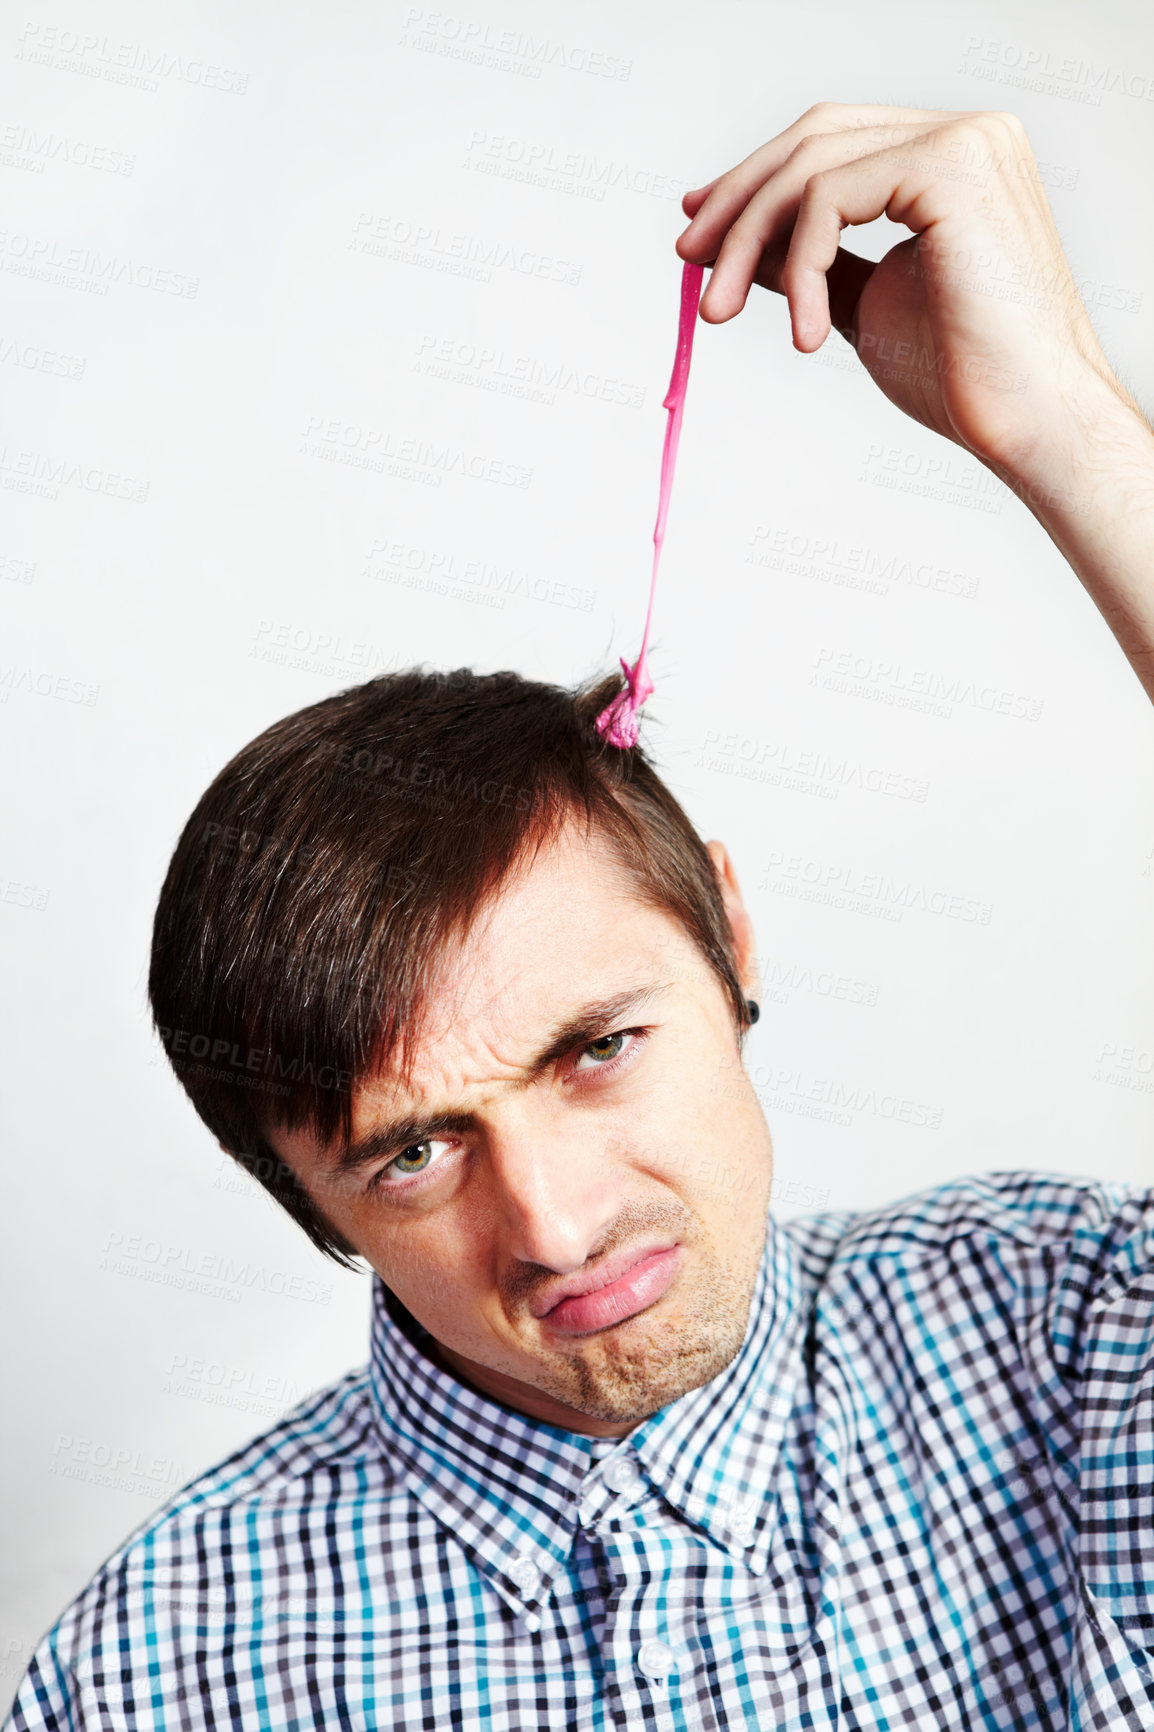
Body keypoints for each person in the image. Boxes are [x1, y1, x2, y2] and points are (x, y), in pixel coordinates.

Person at [7, 102, 1154, 1732]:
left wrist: (1062, 425)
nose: (549, 1226)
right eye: (409, 1151)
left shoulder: (1071, 1339)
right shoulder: (158, 1671)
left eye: (599, 1048)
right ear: (304, 1198)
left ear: (729, 942)